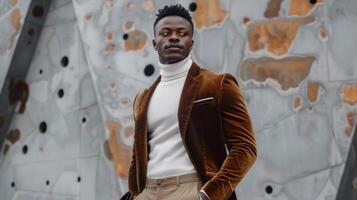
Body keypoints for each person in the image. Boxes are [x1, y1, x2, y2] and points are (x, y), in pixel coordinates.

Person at [127, 4, 257, 200]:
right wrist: (135, 194)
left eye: (182, 33)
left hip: (192, 188)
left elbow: (245, 148)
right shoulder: (142, 99)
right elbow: (137, 158)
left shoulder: (218, 85)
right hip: (149, 191)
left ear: (191, 42)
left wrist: (210, 193)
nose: (173, 37)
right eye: (165, 32)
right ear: (154, 43)